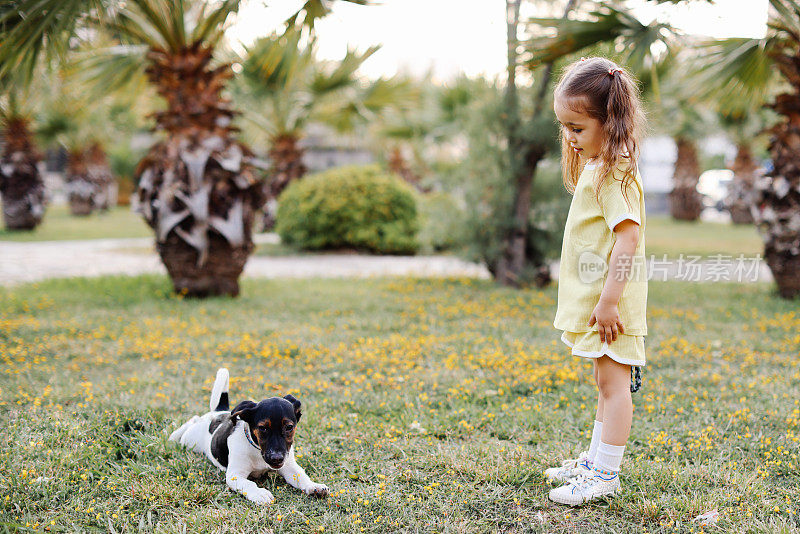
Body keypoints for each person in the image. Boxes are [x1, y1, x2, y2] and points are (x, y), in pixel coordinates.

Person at [545, 56, 648, 506]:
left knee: (614, 386)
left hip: (613, 305)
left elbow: (628, 241)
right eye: (564, 125)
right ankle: (594, 460)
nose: (569, 136)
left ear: (610, 122)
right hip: (602, 301)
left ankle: (605, 473)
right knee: (605, 385)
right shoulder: (599, 165)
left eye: (577, 127)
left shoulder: (615, 173)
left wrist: (608, 303)